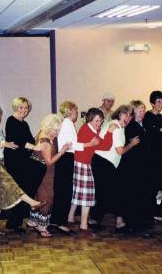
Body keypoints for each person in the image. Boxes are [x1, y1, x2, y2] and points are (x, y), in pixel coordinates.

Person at [0, 103, 45, 236]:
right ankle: (32, 202)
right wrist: (3, 144)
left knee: (2, 196)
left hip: (0, 162)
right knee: (12, 187)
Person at [50, 101, 99, 234]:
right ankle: (59, 222)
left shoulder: (67, 124)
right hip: (65, 158)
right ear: (70, 111)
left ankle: (57, 221)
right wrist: (90, 144)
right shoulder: (68, 123)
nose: (77, 113)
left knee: (63, 191)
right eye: (76, 110)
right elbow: (71, 145)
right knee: (64, 192)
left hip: (65, 158)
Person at [90, 105, 139, 231]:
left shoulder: (117, 126)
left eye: (130, 115)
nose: (129, 117)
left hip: (103, 162)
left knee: (106, 192)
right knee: (111, 192)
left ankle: (100, 219)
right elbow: (120, 151)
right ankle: (114, 221)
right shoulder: (116, 127)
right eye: (127, 114)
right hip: (103, 162)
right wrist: (132, 144)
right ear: (120, 114)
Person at [4, 97, 47, 233]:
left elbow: (30, 140)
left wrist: (41, 135)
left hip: (23, 160)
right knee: (23, 187)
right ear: (16, 108)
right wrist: (36, 147)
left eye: (26, 108)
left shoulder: (24, 124)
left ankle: (15, 221)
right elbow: (20, 142)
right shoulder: (11, 121)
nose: (23, 110)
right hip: (14, 161)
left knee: (29, 184)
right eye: (21, 107)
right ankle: (14, 222)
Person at [70, 108, 118, 231]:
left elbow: (105, 146)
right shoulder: (86, 130)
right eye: (97, 121)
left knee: (79, 191)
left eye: (101, 121)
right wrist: (109, 133)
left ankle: (70, 217)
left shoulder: (92, 130)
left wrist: (109, 132)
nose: (99, 124)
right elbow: (102, 145)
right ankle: (83, 224)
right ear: (90, 119)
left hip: (83, 163)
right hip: (82, 164)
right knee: (87, 194)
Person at [26, 114, 70, 237]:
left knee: (39, 195)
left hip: (40, 170)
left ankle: (33, 221)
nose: (57, 132)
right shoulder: (45, 141)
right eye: (55, 130)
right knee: (47, 196)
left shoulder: (45, 134)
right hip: (46, 172)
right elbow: (49, 161)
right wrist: (62, 151)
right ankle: (42, 226)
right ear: (48, 127)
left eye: (58, 130)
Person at [118, 100, 154, 233]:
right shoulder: (131, 126)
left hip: (142, 165)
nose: (143, 113)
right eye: (140, 110)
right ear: (133, 112)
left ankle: (138, 221)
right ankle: (132, 222)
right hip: (132, 165)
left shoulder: (143, 124)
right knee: (132, 193)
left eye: (144, 110)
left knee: (139, 193)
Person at [142, 91, 162, 225]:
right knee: (152, 185)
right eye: (158, 101)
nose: (161, 104)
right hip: (152, 158)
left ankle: (159, 212)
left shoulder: (161, 117)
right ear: (152, 103)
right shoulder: (147, 116)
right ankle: (150, 213)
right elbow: (149, 134)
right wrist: (160, 130)